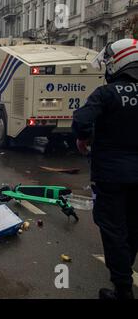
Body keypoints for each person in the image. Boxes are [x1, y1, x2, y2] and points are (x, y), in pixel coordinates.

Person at [72, 38, 138, 300]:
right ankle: (124, 274)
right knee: (133, 227)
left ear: (120, 62)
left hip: (111, 175)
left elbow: (82, 119)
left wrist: (83, 138)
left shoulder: (107, 93)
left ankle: (122, 290)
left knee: (113, 230)